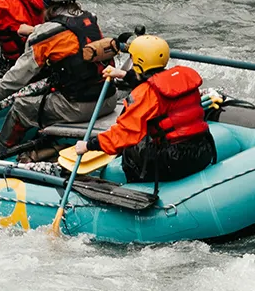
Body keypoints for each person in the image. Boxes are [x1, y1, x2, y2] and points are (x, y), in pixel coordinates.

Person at [0, 0, 119, 154]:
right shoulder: (89, 19)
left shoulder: (46, 35)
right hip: (108, 98)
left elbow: (18, 76)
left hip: (81, 107)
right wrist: (35, 30)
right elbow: (69, 33)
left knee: (21, 107)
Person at [75, 35, 217, 183]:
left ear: (139, 61)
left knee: (132, 149)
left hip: (174, 161)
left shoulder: (145, 94)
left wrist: (89, 145)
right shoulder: (182, 78)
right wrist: (123, 75)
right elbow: (154, 83)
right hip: (203, 150)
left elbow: (124, 134)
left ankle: (135, 187)